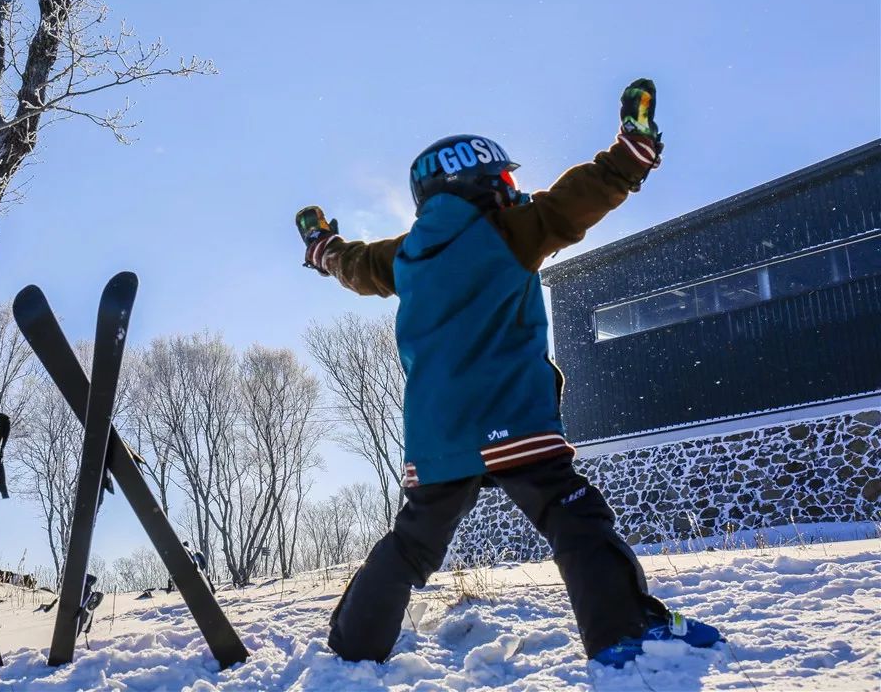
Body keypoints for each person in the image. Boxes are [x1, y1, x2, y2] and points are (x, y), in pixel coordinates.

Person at [296, 80, 722, 668]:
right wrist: (632, 151)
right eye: (505, 183)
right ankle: (623, 630)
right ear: (478, 183)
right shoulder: (508, 231)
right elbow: (578, 198)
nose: (514, 193)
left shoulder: (404, 257)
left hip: (438, 438)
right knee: (573, 516)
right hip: (512, 418)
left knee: (414, 543)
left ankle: (351, 647)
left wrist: (322, 245)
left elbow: (352, 265)